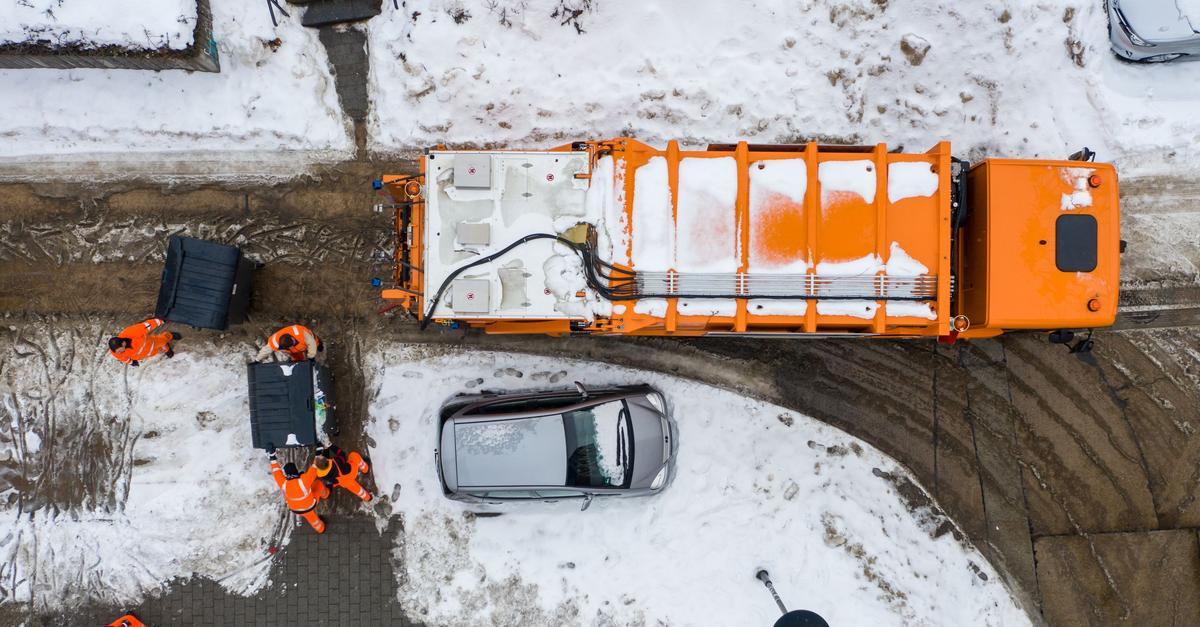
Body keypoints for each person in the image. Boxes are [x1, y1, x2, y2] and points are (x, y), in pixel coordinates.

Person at [267, 445, 330, 534]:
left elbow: (276, 471)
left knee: (312, 518)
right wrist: (319, 449)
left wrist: (272, 456)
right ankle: (326, 494)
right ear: (296, 471)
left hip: (295, 509)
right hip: (309, 505)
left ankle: (321, 529)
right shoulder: (304, 480)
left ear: (286, 475)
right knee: (318, 484)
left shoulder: (283, 483)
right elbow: (315, 465)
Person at [108, 318, 180, 366]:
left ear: (123, 343)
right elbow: (122, 358)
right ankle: (163, 348)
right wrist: (131, 362)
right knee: (158, 350)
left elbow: (147, 326)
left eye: (120, 351)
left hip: (152, 342)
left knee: (163, 341)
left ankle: (169, 336)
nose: (119, 353)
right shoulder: (115, 351)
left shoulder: (131, 332)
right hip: (147, 353)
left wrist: (160, 320)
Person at [255, 324, 321, 363]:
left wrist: (311, 357)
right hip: (295, 351)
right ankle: (300, 364)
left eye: (293, 343)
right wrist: (257, 359)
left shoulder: (301, 333)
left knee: (316, 344)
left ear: (292, 337)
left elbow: (312, 344)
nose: (292, 345)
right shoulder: (274, 342)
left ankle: (320, 344)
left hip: (311, 340)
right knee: (297, 361)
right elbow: (266, 350)